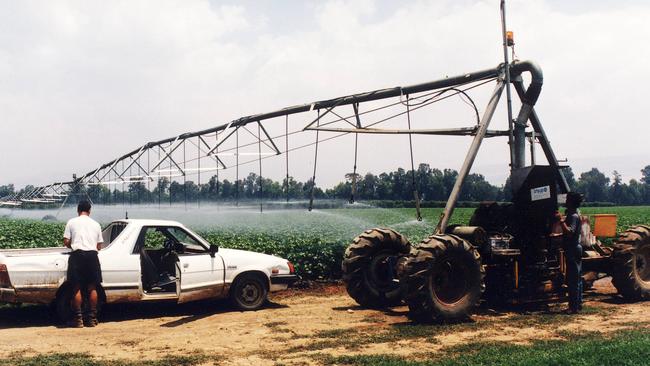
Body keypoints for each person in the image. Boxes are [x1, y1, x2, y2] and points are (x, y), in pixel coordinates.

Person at [63, 200, 103, 327]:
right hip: (92, 256)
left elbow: (66, 241)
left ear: (78, 210)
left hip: (77, 255)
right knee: (92, 287)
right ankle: (91, 318)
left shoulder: (71, 222)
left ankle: (78, 319)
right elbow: (99, 246)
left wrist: (73, 244)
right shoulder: (96, 224)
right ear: (89, 211)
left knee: (77, 287)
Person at [554, 192, 584, 314]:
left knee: (573, 278)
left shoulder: (574, 216)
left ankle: (573, 308)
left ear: (571, 202)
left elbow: (570, 232)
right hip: (574, 248)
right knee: (576, 278)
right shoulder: (574, 215)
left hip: (573, 249)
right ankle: (578, 304)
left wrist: (561, 221)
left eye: (567, 199)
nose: (565, 201)